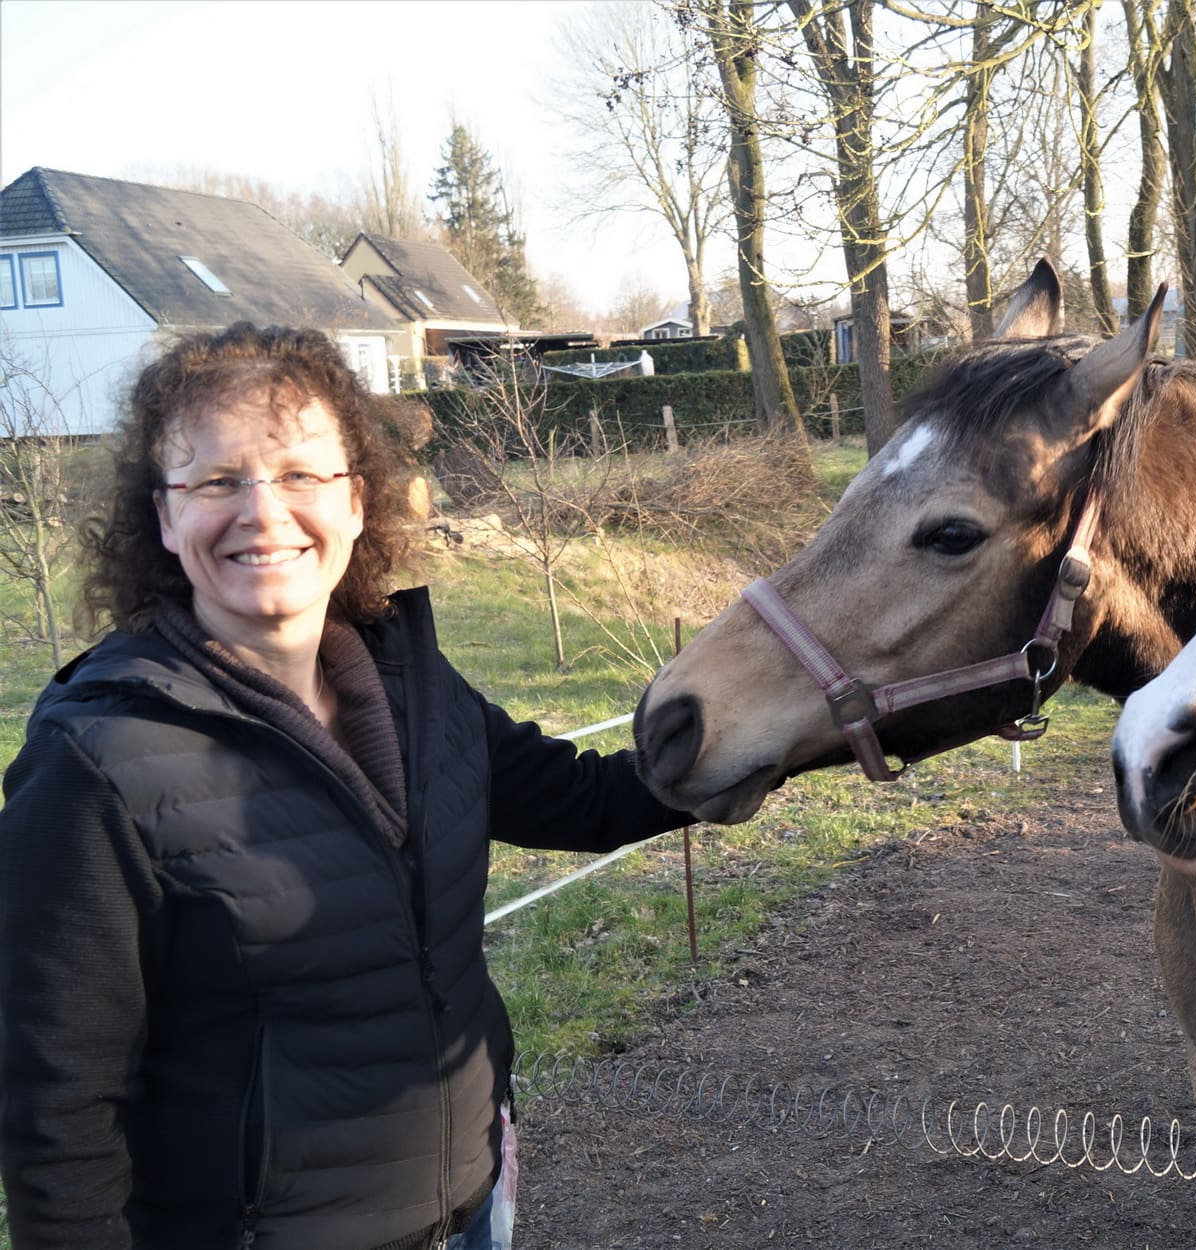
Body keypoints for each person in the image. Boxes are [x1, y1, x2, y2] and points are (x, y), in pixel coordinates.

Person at [0, 323, 692, 1249]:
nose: (262, 512)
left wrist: (805, 722)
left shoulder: (414, 682)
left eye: (299, 474)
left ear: (356, 500)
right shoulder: (96, 758)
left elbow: (593, 800)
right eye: (216, 481)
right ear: (165, 518)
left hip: (471, 1208)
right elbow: (56, 1103)